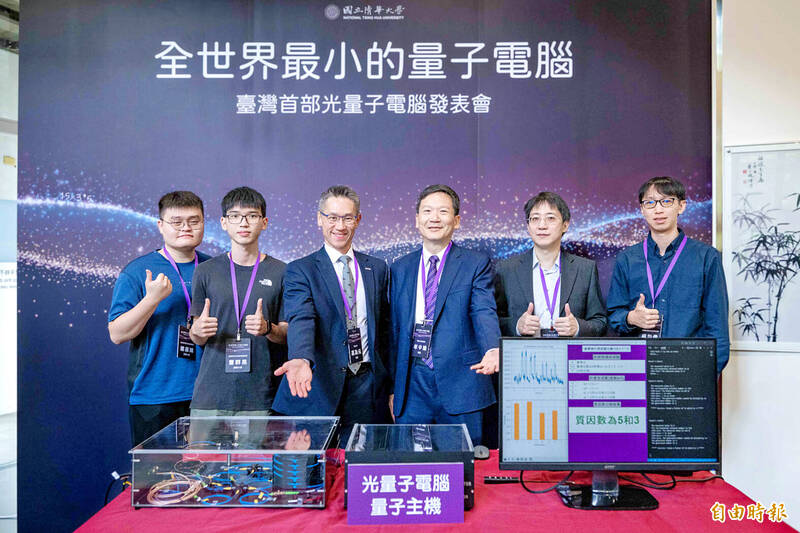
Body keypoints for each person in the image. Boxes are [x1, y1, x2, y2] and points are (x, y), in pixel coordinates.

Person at [272, 186, 392, 443]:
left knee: (361, 472)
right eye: (332, 217)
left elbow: (384, 328)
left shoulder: (377, 268)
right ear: (319, 219)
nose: (340, 225)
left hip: (367, 388)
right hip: (318, 385)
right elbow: (302, 317)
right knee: (310, 476)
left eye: (348, 218)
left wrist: (391, 385)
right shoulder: (300, 270)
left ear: (358, 220)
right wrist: (301, 358)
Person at [389, 184, 501, 446]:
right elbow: (392, 330)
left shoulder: (475, 263)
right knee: (411, 468)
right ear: (417, 220)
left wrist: (493, 348)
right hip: (412, 385)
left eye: (443, 211)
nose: (434, 218)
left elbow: (483, 309)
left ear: (457, 220)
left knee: (463, 471)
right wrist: (393, 388)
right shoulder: (399, 268)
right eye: (427, 211)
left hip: (461, 382)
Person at [108, 191, 210, 445]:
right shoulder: (138, 271)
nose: (186, 227)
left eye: (194, 221)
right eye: (177, 222)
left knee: (209, 480)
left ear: (204, 224)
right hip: (156, 394)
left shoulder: (215, 269)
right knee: (157, 481)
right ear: (161, 226)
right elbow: (117, 334)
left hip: (209, 396)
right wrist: (151, 299)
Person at [606, 176, 729, 373]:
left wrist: (703, 378)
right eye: (650, 203)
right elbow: (613, 314)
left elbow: (718, 328)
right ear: (642, 209)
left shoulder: (707, 258)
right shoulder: (627, 259)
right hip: (638, 369)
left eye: (666, 201)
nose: (658, 209)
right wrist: (631, 318)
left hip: (689, 369)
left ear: (681, 206)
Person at [188, 186, 288, 415]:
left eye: (252, 216)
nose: (243, 223)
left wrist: (267, 329)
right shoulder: (205, 271)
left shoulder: (282, 272)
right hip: (209, 397)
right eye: (235, 216)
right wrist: (198, 331)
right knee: (202, 452)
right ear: (224, 222)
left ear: (264, 222)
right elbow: (195, 336)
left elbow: (287, 333)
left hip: (259, 398)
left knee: (255, 453)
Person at [495, 191, 607, 338]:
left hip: (569, 356)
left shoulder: (585, 269)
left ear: (565, 225)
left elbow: (600, 322)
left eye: (550, 218)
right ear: (528, 227)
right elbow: (491, 320)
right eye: (535, 219)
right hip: (524, 355)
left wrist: (578, 327)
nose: (542, 225)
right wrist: (516, 325)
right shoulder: (506, 269)